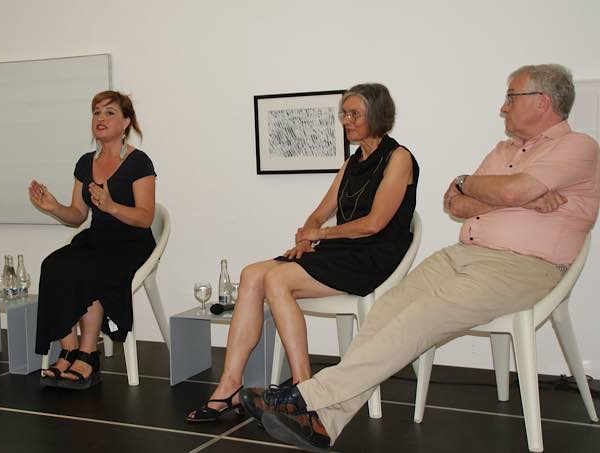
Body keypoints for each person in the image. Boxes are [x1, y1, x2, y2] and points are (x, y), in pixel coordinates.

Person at [244, 64, 600, 452]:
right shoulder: (503, 151)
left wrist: (498, 190)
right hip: (464, 254)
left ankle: (305, 397)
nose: (503, 108)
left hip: (523, 267)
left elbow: (511, 192)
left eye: (511, 98)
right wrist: (478, 186)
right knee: (387, 311)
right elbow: (456, 202)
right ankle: (325, 423)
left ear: (543, 101)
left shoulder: (578, 147)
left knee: (420, 318)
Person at [186, 83, 419, 422]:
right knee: (252, 274)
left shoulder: (399, 158)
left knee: (278, 279)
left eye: (354, 114)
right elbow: (320, 211)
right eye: (344, 113)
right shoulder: (353, 162)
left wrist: (320, 234)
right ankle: (229, 386)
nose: (346, 120)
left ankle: (304, 390)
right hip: (341, 250)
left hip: (373, 255)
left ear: (378, 115)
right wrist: (307, 235)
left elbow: (375, 224)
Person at [30, 90, 156, 390]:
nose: (101, 118)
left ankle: (89, 353)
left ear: (126, 122)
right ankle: (69, 348)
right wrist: (54, 207)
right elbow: (77, 215)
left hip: (132, 242)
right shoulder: (86, 163)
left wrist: (112, 206)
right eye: (96, 112)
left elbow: (146, 217)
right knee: (54, 265)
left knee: (89, 269)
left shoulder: (139, 163)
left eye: (109, 112)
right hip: (97, 238)